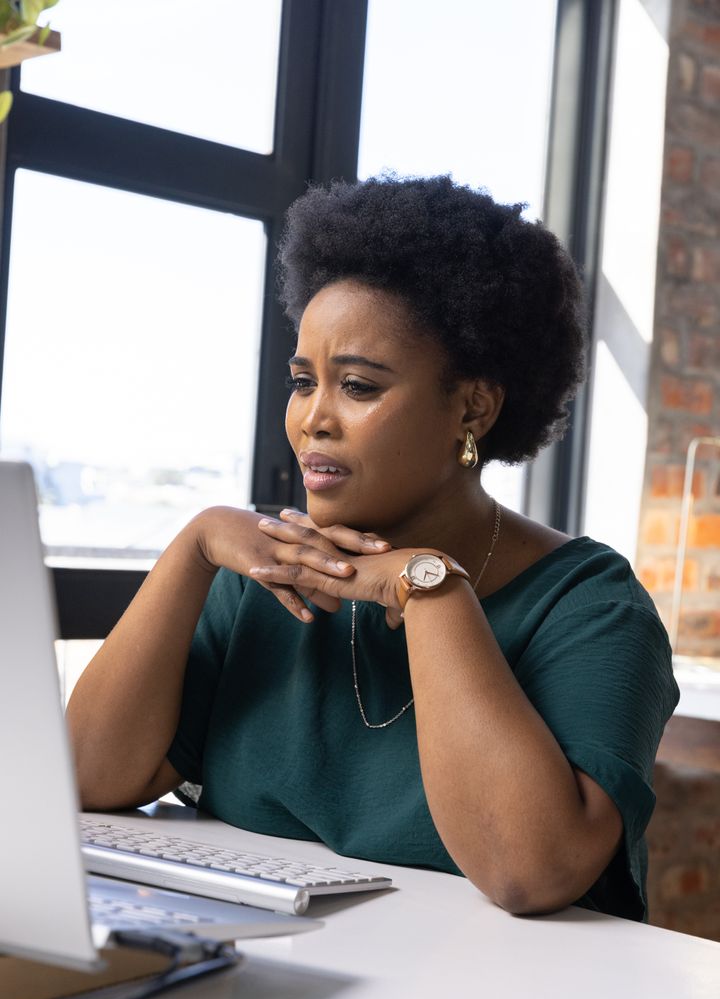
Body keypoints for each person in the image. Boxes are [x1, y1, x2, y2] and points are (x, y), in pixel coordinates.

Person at [68, 174, 679, 922]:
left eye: (357, 386)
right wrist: (191, 550)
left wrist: (428, 587)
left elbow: (529, 870)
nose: (312, 421)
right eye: (303, 381)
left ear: (473, 407)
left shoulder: (590, 608)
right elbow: (86, 776)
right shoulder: (267, 573)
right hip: (271, 993)